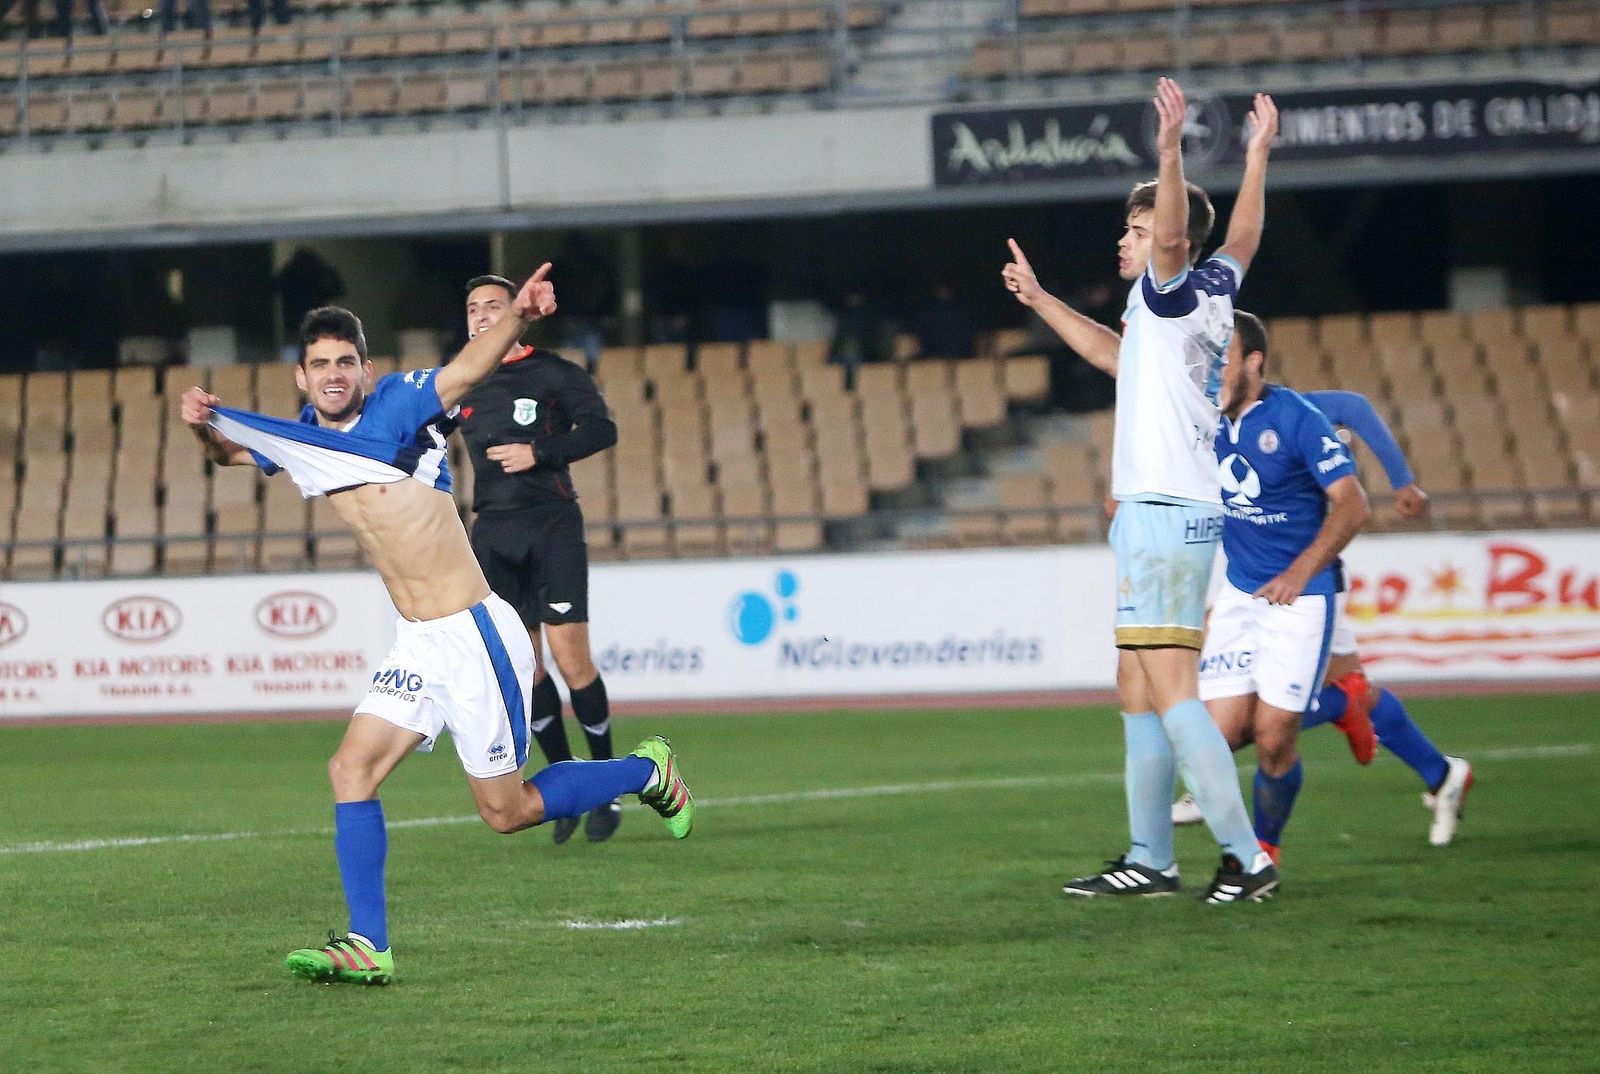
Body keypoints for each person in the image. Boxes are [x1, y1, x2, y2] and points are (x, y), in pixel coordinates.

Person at [178, 268, 695, 987]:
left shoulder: (399, 407)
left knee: (507, 813)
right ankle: (369, 944)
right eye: (320, 364)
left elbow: (465, 371)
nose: (334, 375)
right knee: (350, 769)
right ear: (301, 376)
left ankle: (648, 771)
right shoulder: (304, 440)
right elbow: (232, 455)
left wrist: (516, 317)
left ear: (367, 368)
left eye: (346, 362)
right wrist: (206, 428)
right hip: (418, 640)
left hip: (474, 634)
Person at [1004, 78, 1281, 903]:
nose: (1128, 243)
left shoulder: (1170, 284)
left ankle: (1246, 857)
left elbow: (1182, 234)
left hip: (1166, 511)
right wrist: (1258, 156)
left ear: (1165, 237)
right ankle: (1150, 857)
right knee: (1135, 682)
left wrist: (1167, 151)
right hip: (1160, 512)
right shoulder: (1204, 294)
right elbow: (1243, 235)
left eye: (1136, 229)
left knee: (1168, 688)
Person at [1174, 387, 1475, 845]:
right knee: (1352, 688)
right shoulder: (1218, 416)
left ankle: (1224, 780)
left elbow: (1353, 407)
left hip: (1308, 583)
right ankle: (1442, 773)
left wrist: (1402, 481)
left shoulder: (1291, 409)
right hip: (1263, 583)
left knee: (1269, 712)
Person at [1194, 312, 1371, 876]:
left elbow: (1352, 503)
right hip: (1240, 592)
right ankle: (1241, 856)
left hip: (1300, 598)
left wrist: (1299, 572)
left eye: (1224, 358)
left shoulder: (1296, 418)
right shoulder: (1202, 419)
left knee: (1273, 740)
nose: (1212, 371)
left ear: (1254, 364)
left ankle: (1264, 849)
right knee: (1218, 734)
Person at [457, 274, 622, 845]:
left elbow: (603, 428)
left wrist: (540, 451)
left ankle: (605, 785)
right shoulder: (459, 383)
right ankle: (566, 788)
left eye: (493, 306)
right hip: (492, 534)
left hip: (551, 526)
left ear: (517, 313)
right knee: (525, 672)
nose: (481, 316)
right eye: (474, 308)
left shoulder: (553, 373)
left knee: (572, 659)